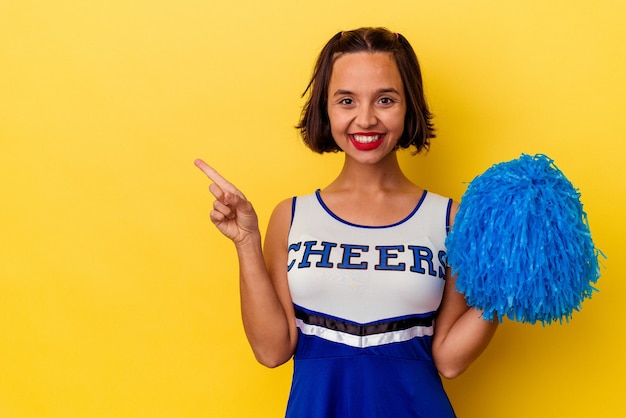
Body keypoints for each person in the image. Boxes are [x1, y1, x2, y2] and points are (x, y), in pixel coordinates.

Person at [195, 27, 498, 418]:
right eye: (346, 100)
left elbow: (449, 361)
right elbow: (272, 351)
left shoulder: (452, 220)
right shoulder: (291, 216)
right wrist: (246, 241)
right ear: (326, 108)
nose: (366, 118)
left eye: (385, 99)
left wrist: (506, 287)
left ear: (409, 107)